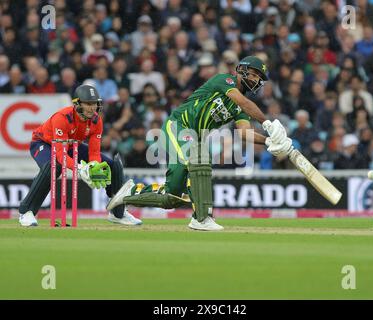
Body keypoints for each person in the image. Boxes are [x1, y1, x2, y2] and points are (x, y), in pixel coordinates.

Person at [106, 56, 293, 231]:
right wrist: (268, 123)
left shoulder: (241, 108)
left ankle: (128, 192)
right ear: (241, 70)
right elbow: (242, 101)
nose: (254, 79)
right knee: (201, 156)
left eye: (258, 77)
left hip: (194, 137)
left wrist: (269, 141)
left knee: (172, 198)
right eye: (252, 73)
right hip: (178, 126)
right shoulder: (224, 81)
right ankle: (202, 218)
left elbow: (244, 133)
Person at [18, 84, 142, 227]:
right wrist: (79, 169)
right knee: (53, 166)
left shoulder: (96, 121)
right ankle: (26, 212)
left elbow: (94, 152)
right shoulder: (62, 118)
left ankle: (118, 213)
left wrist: (93, 166)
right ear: (77, 103)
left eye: (94, 103)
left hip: (70, 145)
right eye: (88, 104)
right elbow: (60, 155)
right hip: (44, 143)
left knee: (113, 165)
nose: (92, 107)